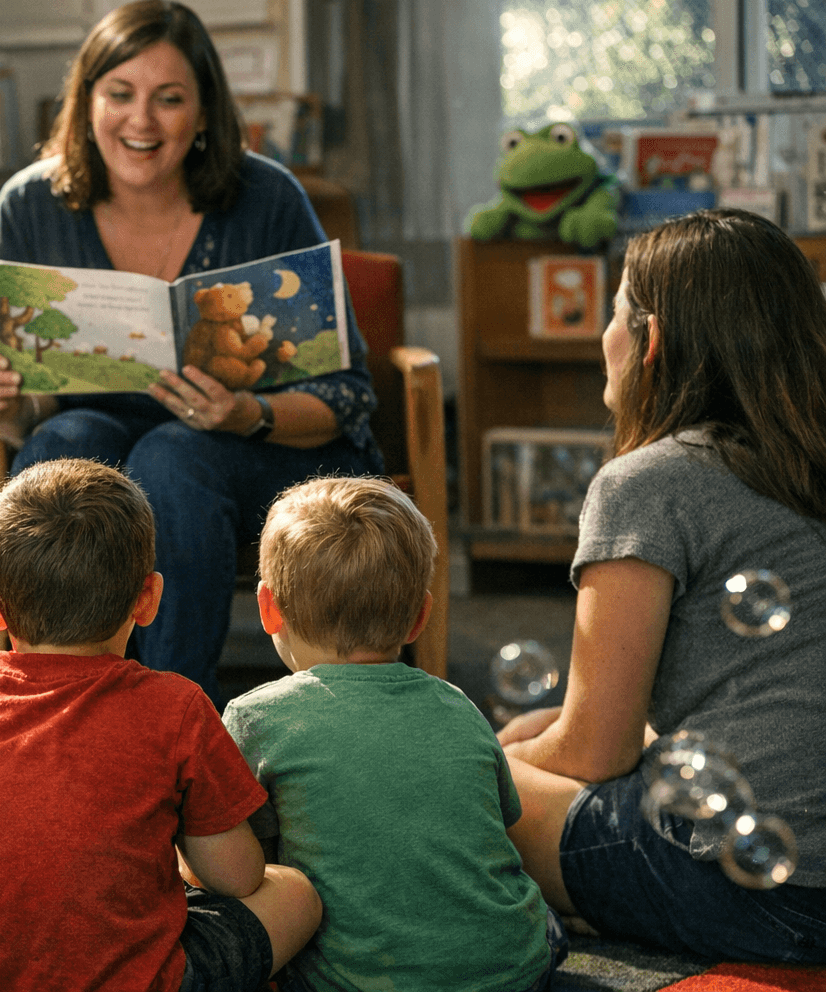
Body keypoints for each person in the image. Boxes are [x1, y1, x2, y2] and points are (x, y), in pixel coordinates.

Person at [0, 0, 383, 704]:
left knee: (171, 456)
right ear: (86, 102)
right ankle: (42, 708)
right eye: (119, 94)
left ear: (205, 111)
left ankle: (172, 717)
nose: (141, 121)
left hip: (267, 447)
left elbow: (349, 393)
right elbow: (18, 417)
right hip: (100, 437)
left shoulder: (267, 196)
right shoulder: (29, 203)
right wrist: (2, 401)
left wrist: (247, 411)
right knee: (65, 438)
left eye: (169, 99)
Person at [0, 458, 321, 992]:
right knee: (294, 893)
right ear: (149, 599)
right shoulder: (178, 705)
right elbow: (238, 878)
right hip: (138, 981)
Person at [498, 208, 826, 961]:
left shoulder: (646, 484)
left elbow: (594, 754)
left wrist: (490, 759)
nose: (602, 338)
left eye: (615, 313)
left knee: (463, 781)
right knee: (527, 738)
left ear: (654, 341)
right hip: (798, 864)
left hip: (758, 892)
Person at [222, 477, 566, 991]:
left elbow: (240, 859)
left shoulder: (254, 719)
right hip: (514, 972)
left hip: (355, 982)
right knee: (545, 926)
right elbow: (497, 823)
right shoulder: (459, 705)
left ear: (267, 608)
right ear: (420, 617)